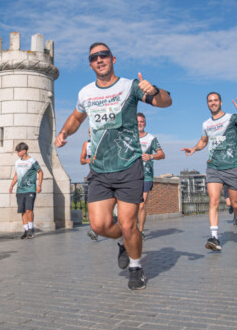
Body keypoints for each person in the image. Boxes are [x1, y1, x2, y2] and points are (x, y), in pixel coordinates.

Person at [55, 42, 172, 290]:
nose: (99, 59)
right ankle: (125, 241)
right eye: (94, 57)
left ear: (113, 59)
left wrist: (155, 90)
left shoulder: (129, 86)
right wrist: (64, 132)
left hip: (128, 166)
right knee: (99, 225)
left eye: (104, 55)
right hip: (99, 170)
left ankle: (136, 267)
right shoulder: (86, 93)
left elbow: (166, 102)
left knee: (129, 224)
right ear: (90, 64)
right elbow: (76, 117)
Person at [181, 92, 237, 252]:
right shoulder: (206, 124)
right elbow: (203, 141)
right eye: (210, 101)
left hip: (231, 167)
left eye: (215, 100)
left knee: (235, 203)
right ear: (207, 104)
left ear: (221, 102)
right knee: (213, 201)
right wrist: (194, 148)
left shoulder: (231, 118)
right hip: (213, 167)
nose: (213, 103)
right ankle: (214, 238)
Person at [137, 112, 165, 239]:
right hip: (131, 175)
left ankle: (141, 231)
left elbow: (162, 154)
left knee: (142, 205)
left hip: (146, 175)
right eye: (137, 122)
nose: (140, 124)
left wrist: (151, 156)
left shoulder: (151, 138)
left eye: (142, 121)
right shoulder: (129, 137)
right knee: (132, 205)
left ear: (145, 123)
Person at [9, 142, 43, 239]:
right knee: (23, 211)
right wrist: (11, 185)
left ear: (24, 151)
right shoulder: (17, 162)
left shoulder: (32, 161)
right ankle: (26, 230)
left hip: (30, 189)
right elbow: (16, 175)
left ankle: (31, 230)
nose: (17, 153)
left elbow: (40, 172)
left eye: (18, 151)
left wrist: (39, 185)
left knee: (29, 209)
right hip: (20, 190)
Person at [80, 129, 98, 241]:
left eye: (93, 131)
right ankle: (94, 229)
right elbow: (81, 160)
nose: (90, 133)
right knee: (92, 203)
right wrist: (88, 161)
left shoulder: (105, 141)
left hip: (107, 176)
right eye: (89, 132)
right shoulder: (86, 144)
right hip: (94, 176)